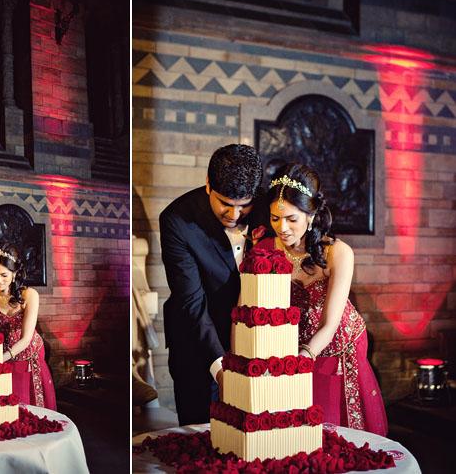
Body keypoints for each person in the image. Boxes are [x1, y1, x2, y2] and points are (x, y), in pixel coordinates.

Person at [257, 162, 388, 435]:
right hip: (290, 345)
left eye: (292, 219)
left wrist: (304, 356)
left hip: (336, 345)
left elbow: (329, 325)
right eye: (274, 218)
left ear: (312, 214)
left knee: (329, 427)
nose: (283, 228)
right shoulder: (265, 249)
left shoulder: (338, 253)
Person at [159, 144, 267, 425]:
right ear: (208, 185)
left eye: (244, 205)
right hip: (196, 343)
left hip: (256, 344)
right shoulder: (177, 220)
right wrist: (220, 367)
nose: (234, 215)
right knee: (200, 436)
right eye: (225, 204)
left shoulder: (267, 211)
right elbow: (191, 300)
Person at [0, 243, 56, 409]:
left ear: (15, 274)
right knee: (5, 408)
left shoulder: (29, 295)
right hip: (0, 353)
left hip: (28, 354)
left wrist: (1, 358)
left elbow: (26, 338)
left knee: (27, 407)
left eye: (4, 275)